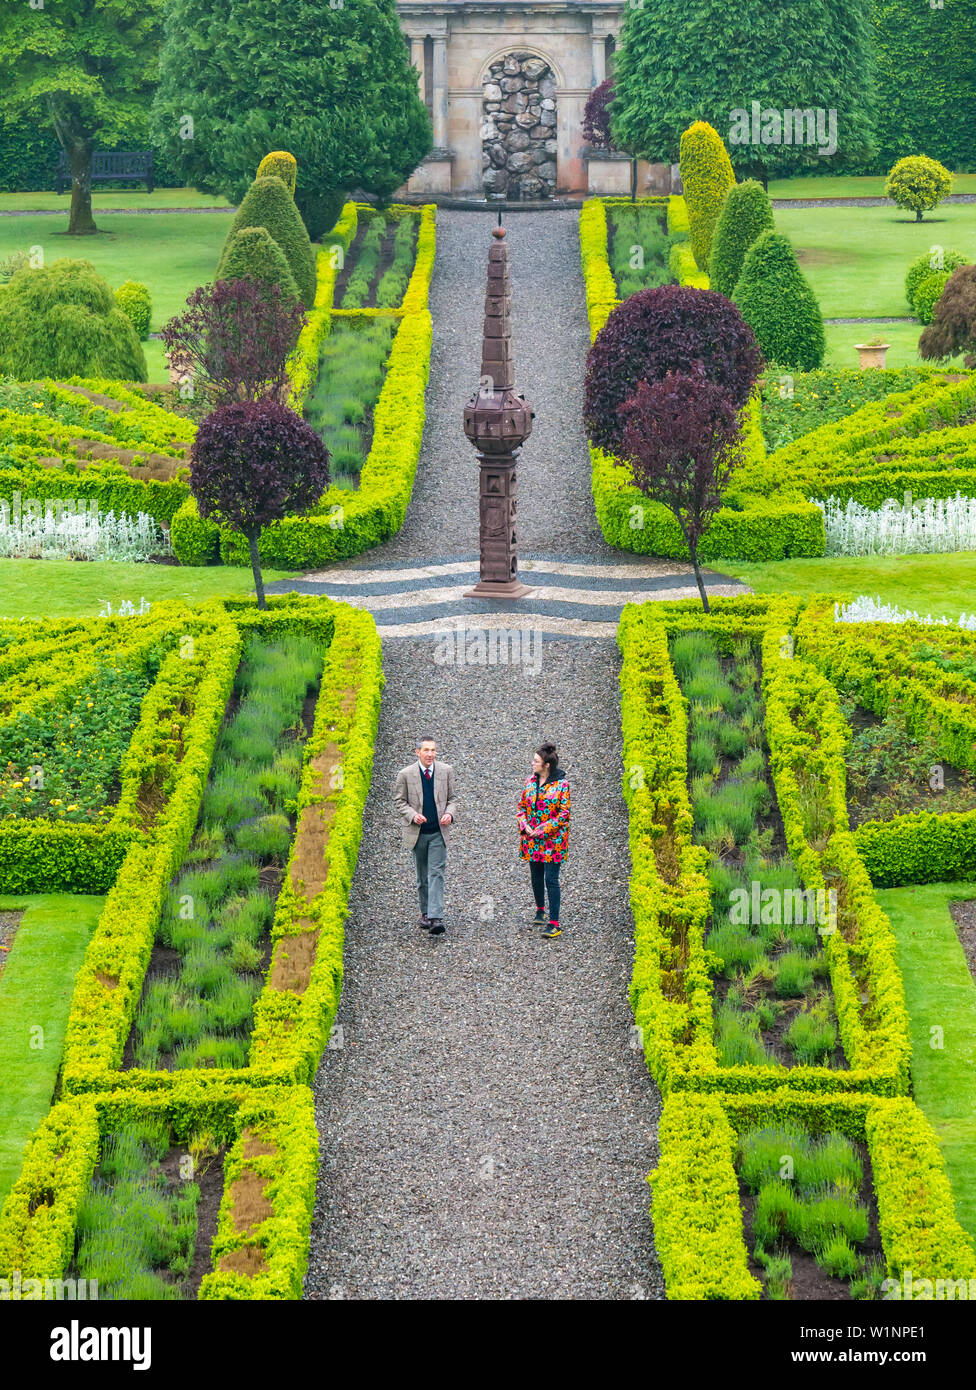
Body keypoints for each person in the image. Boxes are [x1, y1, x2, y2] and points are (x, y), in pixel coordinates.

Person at [394, 736, 458, 936]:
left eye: (433, 750)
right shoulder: (405, 774)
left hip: (438, 832)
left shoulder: (446, 771)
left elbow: (453, 799)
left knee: (436, 873)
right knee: (422, 877)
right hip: (418, 833)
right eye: (426, 750)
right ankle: (425, 913)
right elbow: (400, 801)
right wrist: (413, 815)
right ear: (417, 752)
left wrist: (449, 813)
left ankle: (436, 916)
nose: (430, 754)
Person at [517, 742, 570, 939]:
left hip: (553, 841)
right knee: (536, 876)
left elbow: (564, 814)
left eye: (536, 761)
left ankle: (554, 922)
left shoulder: (562, 785)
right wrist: (525, 826)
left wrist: (541, 829)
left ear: (547, 765)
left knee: (551, 879)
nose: (532, 763)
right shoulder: (530, 781)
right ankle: (540, 910)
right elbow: (521, 807)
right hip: (532, 839)